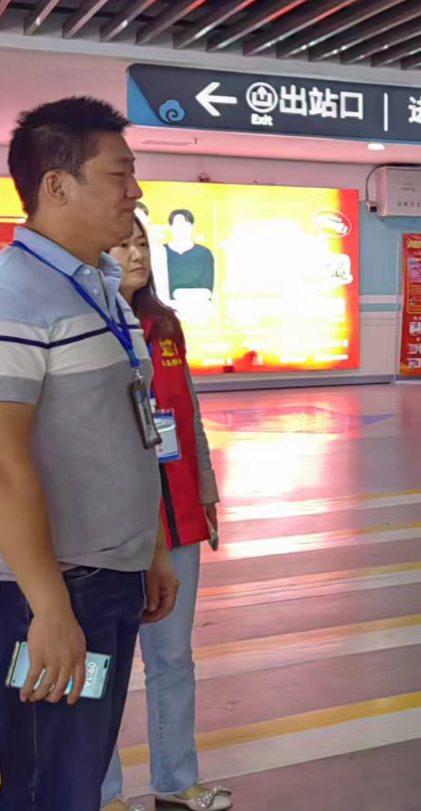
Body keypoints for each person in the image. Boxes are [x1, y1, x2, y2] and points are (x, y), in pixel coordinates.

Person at [0, 97, 179, 811]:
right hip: (49, 590)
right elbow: (4, 463)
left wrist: (151, 546)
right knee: (47, 781)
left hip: (108, 579)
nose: (135, 192)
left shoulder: (101, 290)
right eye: (119, 173)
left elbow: (126, 427)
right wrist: (48, 609)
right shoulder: (15, 298)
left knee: (79, 770)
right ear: (57, 185)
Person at [102, 214, 230, 811]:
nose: (137, 254)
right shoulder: (85, 324)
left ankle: (177, 781)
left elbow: (187, 415)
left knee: (173, 657)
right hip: (107, 522)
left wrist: (205, 491)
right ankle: (102, 791)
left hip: (175, 515)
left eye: (142, 244)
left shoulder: (166, 325)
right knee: (104, 663)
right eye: (123, 244)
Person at [164, 209, 214, 297]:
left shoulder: (204, 253)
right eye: (177, 225)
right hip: (164, 303)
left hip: (196, 302)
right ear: (170, 228)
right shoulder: (160, 252)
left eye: (185, 225)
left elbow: (207, 287)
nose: (181, 229)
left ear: (192, 227)